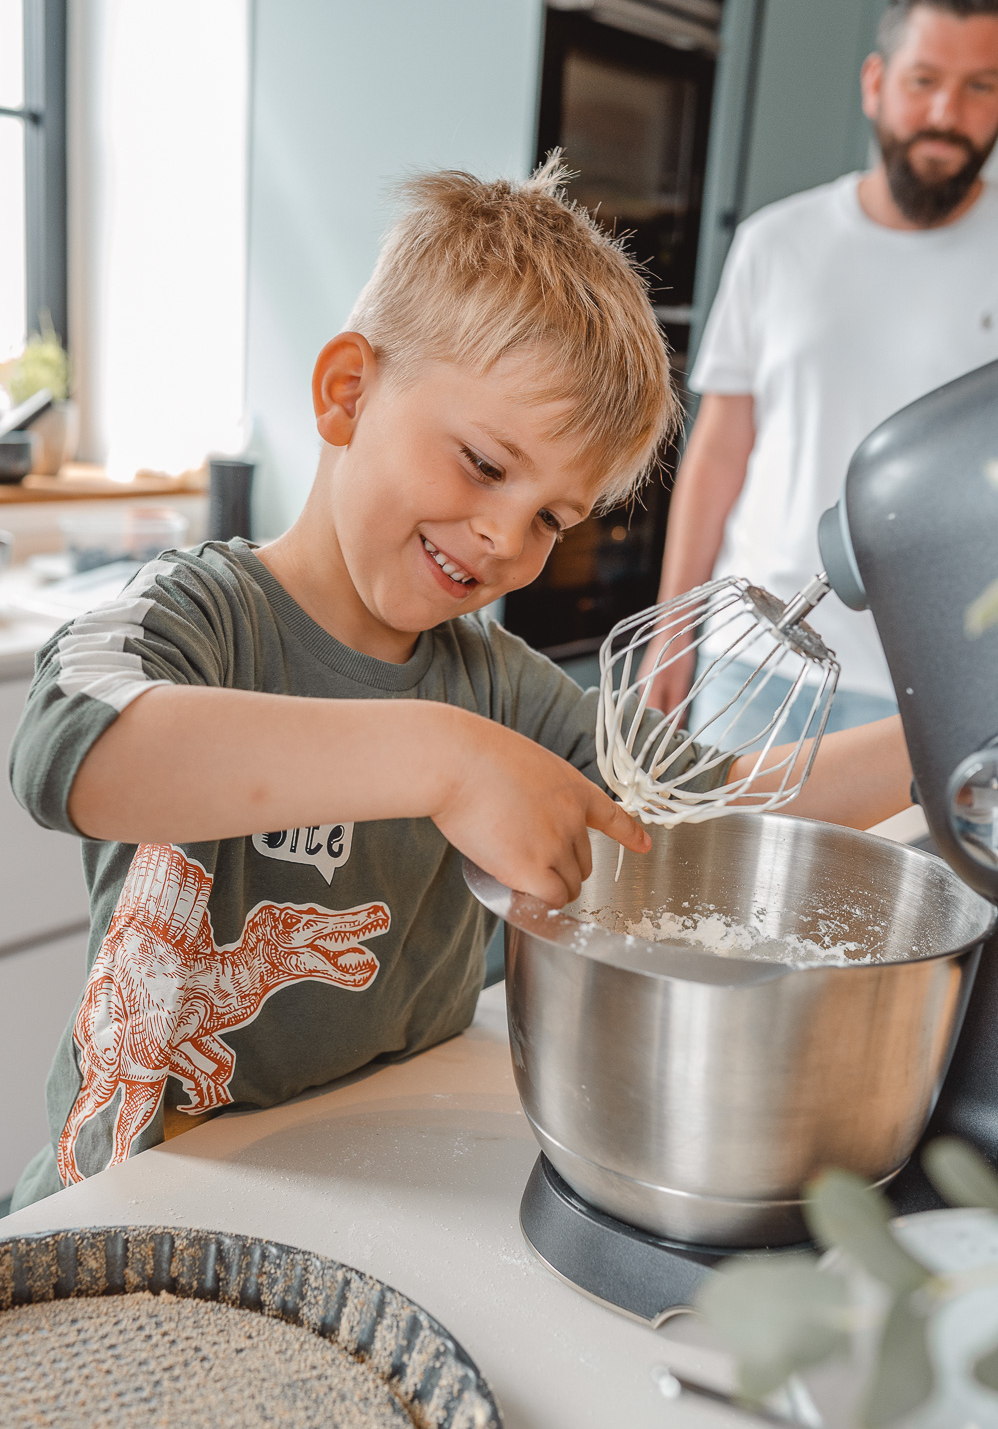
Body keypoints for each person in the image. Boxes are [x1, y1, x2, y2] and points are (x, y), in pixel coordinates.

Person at [7, 161, 911, 1212]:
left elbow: (696, 812)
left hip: (373, 1179)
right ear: (346, 393)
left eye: (550, 521)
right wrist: (441, 760)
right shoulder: (203, 620)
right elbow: (69, 750)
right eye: (483, 465)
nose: (500, 540)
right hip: (134, 1199)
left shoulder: (505, 690)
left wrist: (943, 731)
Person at [641, 0, 998, 737]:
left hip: (946, 685)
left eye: (981, 87)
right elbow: (720, 449)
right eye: (925, 79)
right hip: (755, 660)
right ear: (876, 83)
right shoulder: (776, 244)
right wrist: (673, 631)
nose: (947, 111)